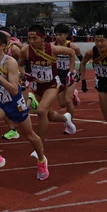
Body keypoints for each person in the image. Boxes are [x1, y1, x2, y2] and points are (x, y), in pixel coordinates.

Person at [0, 30, 49, 180]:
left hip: (14, 103)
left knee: (30, 136)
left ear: (3, 46)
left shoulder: (9, 62)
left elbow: (14, 89)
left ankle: (42, 160)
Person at [18, 25, 78, 155]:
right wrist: (24, 74)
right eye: (29, 38)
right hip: (37, 85)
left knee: (41, 111)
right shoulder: (25, 50)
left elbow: (72, 53)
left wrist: (70, 72)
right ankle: (66, 119)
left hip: (51, 84)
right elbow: (19, 64)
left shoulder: (53, 49)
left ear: (43, 38)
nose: (32, 41)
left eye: (35, 38)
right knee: (50, 115)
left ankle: (39, 146)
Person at [53, 24, 83, 123]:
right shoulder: (53, 47)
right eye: (56, 35)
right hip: (58, 75)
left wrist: (79, 73)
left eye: (60, 35)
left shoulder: (73, 47)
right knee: (61, 104)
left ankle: (69, 123)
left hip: (70, 74)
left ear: (66, 35)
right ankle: (74, 95)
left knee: (67, 100)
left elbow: (82, 60)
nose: (58, 37)